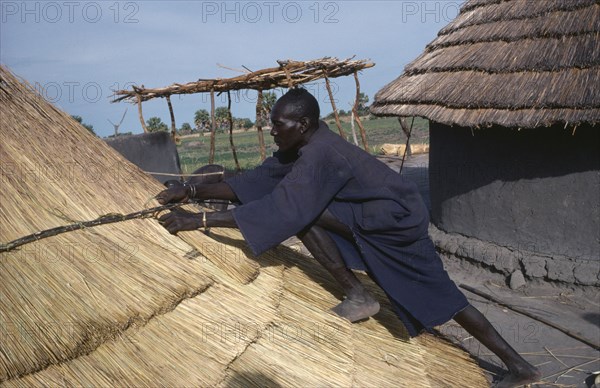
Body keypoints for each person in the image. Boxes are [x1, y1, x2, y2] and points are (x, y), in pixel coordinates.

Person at [156, 88, 541, 387]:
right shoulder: (303, 147)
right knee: (303, 216)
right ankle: (358, 295)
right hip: (371, 217)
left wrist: (197, 222)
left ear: (303, 125)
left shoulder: (320, 154)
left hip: (396, 225)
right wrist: (189, 192)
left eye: (278, 124)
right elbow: (257, 181)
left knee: (445, 298)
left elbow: (283, 207)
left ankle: (519, 366)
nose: (271, 131)